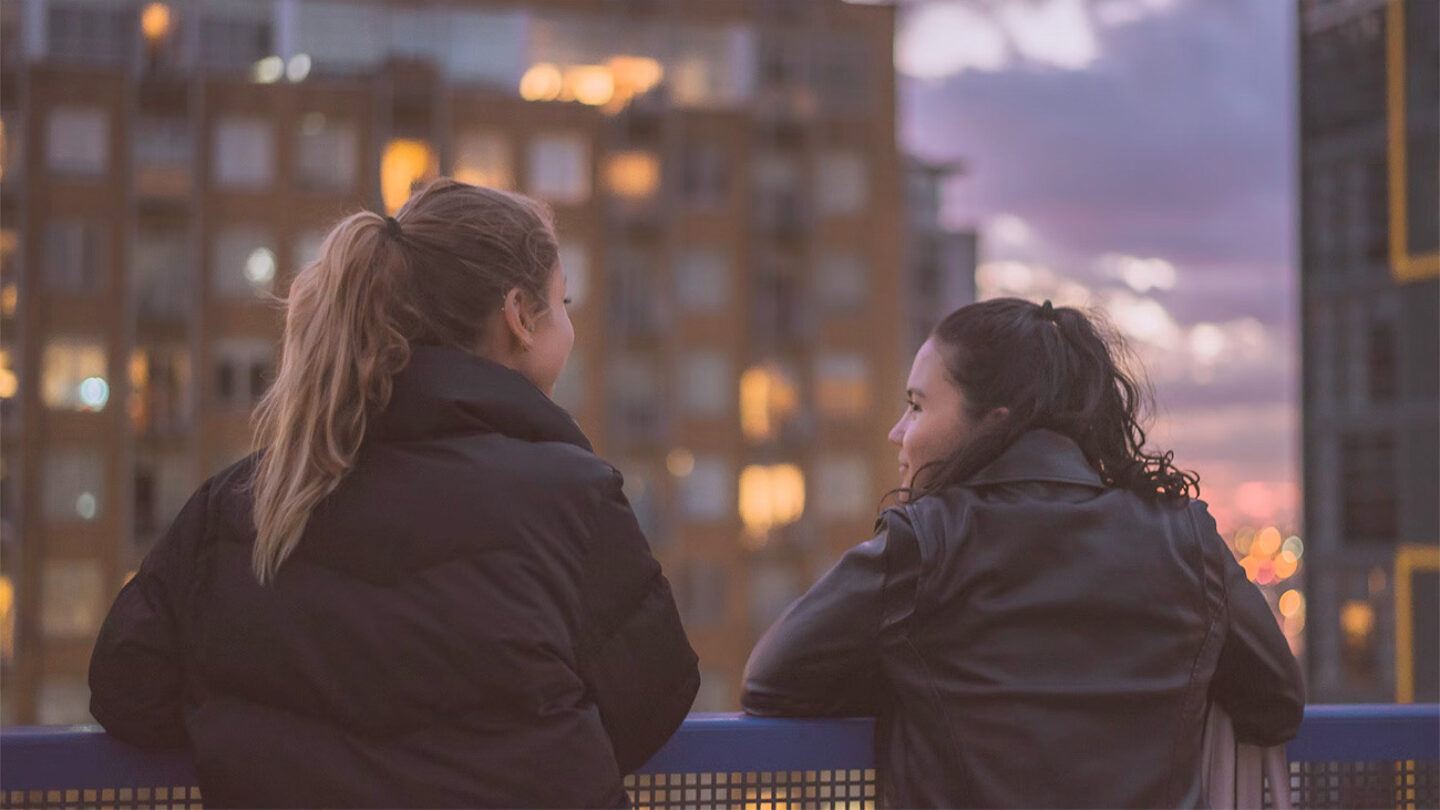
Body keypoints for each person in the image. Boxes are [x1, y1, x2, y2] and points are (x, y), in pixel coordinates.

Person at [89, 179, 699, 808]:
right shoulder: (576, 501)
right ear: (519, 316)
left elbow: (127, 689)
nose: (568, 323)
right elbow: (655, 699)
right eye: (562, 301)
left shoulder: (246, 500)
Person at [742, 297, 1303, 809]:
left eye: (916, 406)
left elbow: (773, 684)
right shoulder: (1184, 538)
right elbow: (1275, 702)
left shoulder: (925, 543)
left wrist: (917, 679)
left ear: (993, 422)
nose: (898, 433)